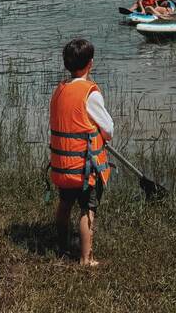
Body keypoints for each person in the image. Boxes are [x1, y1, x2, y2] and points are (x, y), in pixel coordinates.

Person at [49, 38, 113, 267]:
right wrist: (101, 136)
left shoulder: (60, 90)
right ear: (90, 64)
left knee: (64, 204)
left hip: (62, 166)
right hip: (85, 169)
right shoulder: (90, 93)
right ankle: (86, 258)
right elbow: (108, 129)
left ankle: (60, 244)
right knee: (87, 210)